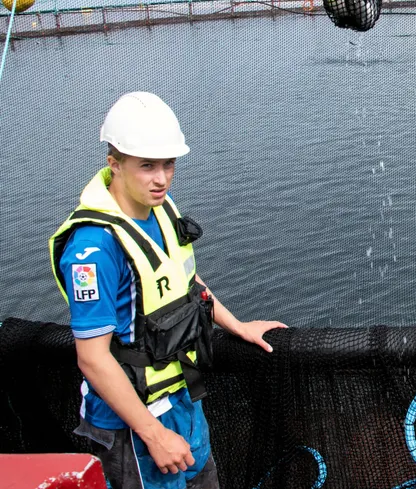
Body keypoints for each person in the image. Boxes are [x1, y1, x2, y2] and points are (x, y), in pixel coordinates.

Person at [49, 92, 287, 488]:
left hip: (181, 400)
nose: (161, 178)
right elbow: (92, 358)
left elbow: (182, 282)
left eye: (168, 165)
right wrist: (153, 434)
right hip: (133, 427)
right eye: (146, 166)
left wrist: (237, 325)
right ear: (115, 164)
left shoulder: (159, 208)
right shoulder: (93, 249)